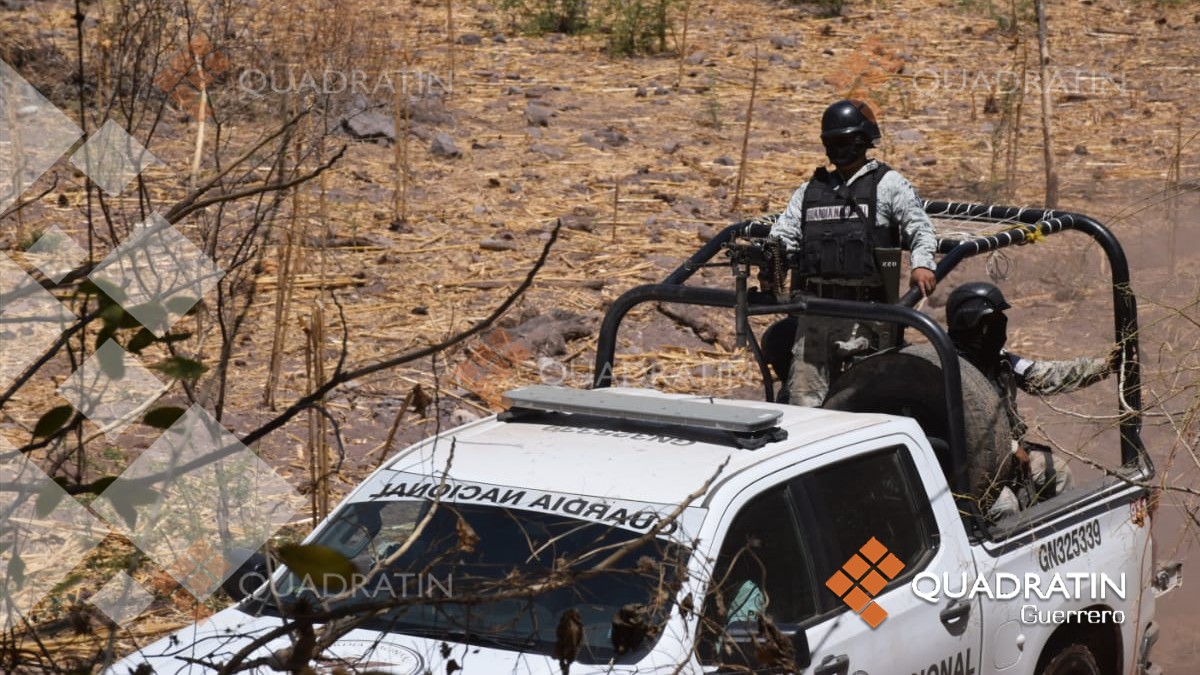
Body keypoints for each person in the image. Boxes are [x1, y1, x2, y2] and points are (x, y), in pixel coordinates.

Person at [769, 99, 938, 407]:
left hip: (867, 317)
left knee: (864, 404)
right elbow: (785, 234)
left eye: (845, 140)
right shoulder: (811, 190)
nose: (838, 148)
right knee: (803, 404)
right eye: (832, 142)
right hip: (815, 316)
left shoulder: (888, 184)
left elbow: (920, 227)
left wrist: (922, 265)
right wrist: (772, 257)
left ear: (863, 141)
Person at [945, 281, 1120, 515]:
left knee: (1055, 472)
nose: (999, 328)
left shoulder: (1000, 361)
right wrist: (1011, 447)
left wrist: (1103, 366)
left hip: (1007, 462)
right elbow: (954, 432)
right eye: (991, 323)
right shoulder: (946, 371)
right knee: (1004, 506)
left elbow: (1044, 376)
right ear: (971, 326)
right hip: (966, 470)